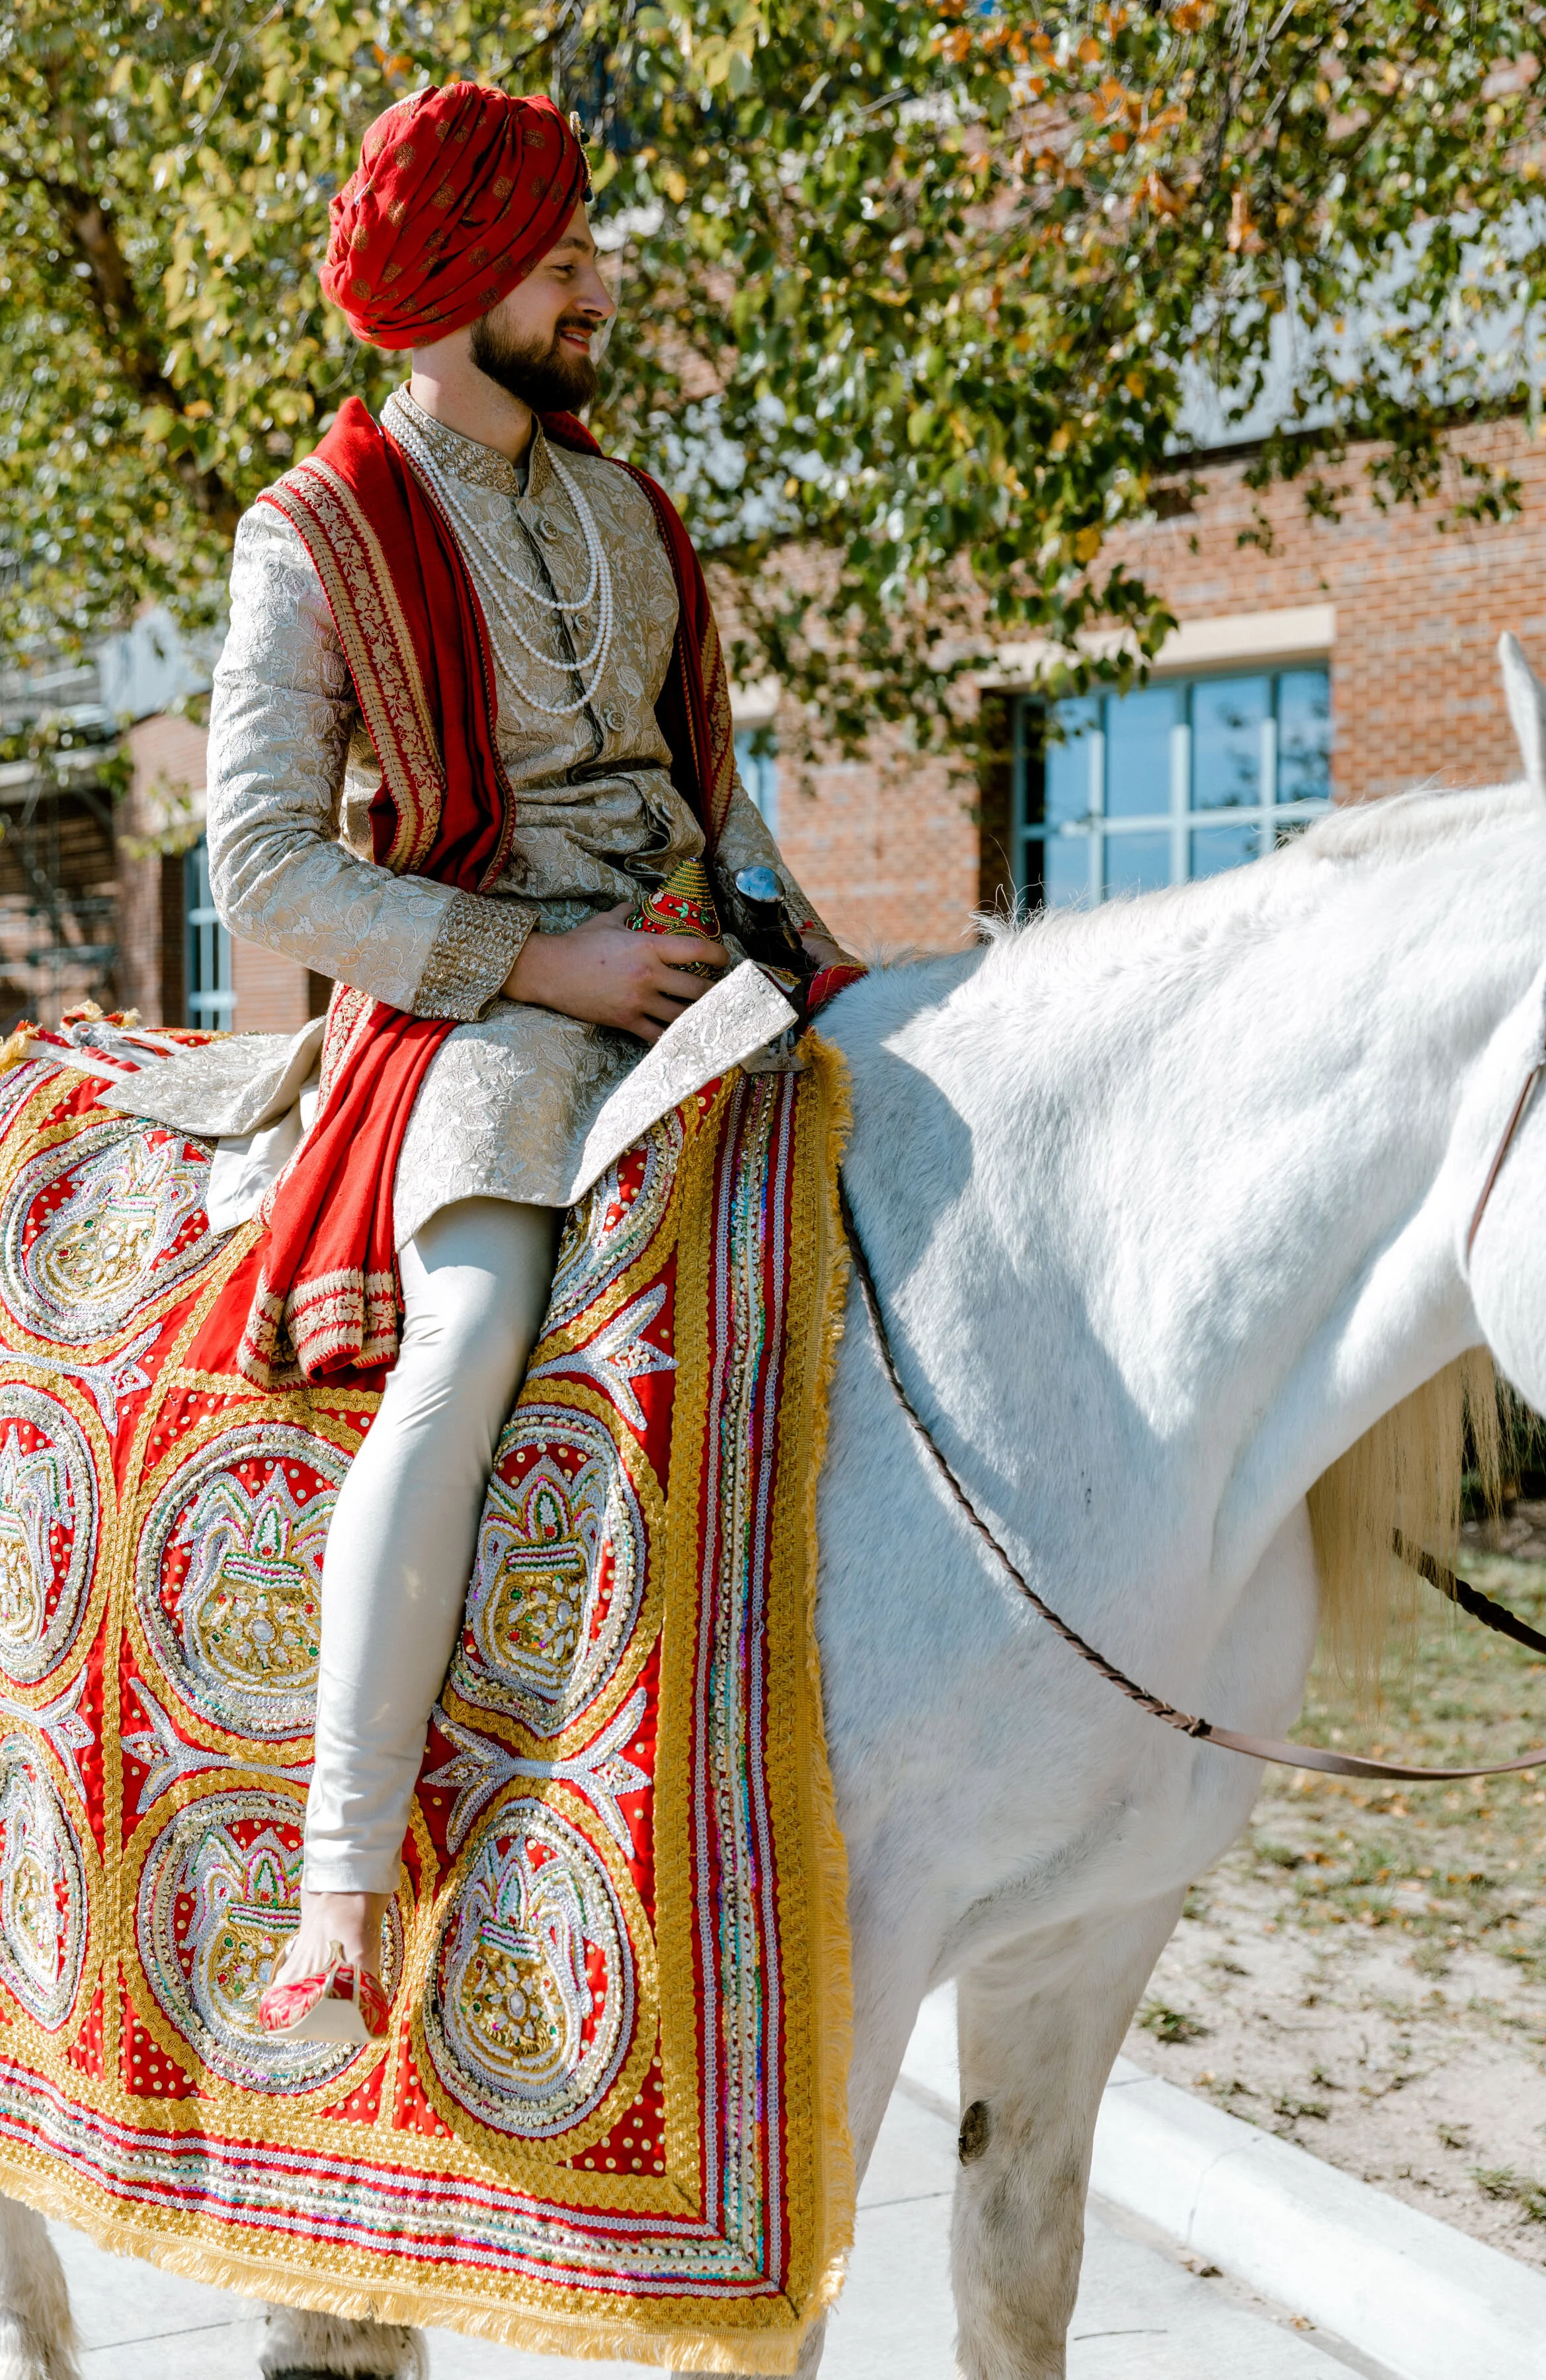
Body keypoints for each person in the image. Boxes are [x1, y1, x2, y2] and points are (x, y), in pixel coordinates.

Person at [183, 82, 841, 2040]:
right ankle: (336, 1887)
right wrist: (540, 962)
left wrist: (801, 948)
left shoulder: (636, 511)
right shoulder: (309, 535)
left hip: (704, 972)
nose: (598, 290)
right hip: (484, 1008)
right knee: (465, 1340)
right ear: (464, 279)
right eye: (565, 263)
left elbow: (719, 803)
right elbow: (261, 865)